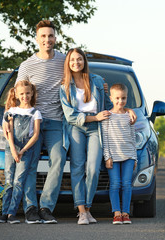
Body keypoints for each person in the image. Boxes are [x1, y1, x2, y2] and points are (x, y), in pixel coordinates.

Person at [60, 48, 136, 225]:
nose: (76, 63)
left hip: (96, 128)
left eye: (79, 59)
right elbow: (70, 115)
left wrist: (129, 110)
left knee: (93, 168)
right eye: (72, 60)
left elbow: (112, 105)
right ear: (68, 63)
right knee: (78, 167)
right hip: (76, 127)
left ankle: (87, 207)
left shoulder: (97, 81)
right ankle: (82, 212)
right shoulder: (64, 86)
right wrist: (94, 117)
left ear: (84, 61)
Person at [3, 20, 67, 224]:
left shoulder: (64, 61)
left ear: (55, 38)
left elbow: (82, 81)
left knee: (57, 160)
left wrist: (102, 87)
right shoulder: (27, 65)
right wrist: (6, 118)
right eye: (43, 36)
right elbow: (15, 95)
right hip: (29, 123)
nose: (47, 39)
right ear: (37, 39)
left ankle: (46, 207)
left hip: (56, 121)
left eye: (50, 36)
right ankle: (30, 207)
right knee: (28, 164)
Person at [0, 80, 42, 224]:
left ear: (32, 93)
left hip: (26, 149)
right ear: (16, 94)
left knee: (19, 181)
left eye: (28, 93)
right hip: (11, 148)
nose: (25, 96)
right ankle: (4, 212)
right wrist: (14, 150)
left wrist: (22, 150)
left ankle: (12, 213)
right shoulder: (12, 111)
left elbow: (35, 134)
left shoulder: (36, 112)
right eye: (21, 94)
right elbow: (8, 131)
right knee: (9, 180)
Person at [103, 83, 137, 225]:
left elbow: (133, 137)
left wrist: (134, 157)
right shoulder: (108, 116)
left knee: (127, 184)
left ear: (126, 98)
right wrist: (107, 157)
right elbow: (105, 138)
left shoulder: (129, 116)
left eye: (123, 98)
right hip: (114, 157)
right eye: (117, 98)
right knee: (115, 184)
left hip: (129, 155)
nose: (120, 101)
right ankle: (117, 213)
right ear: (111, 98)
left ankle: (125, 213)